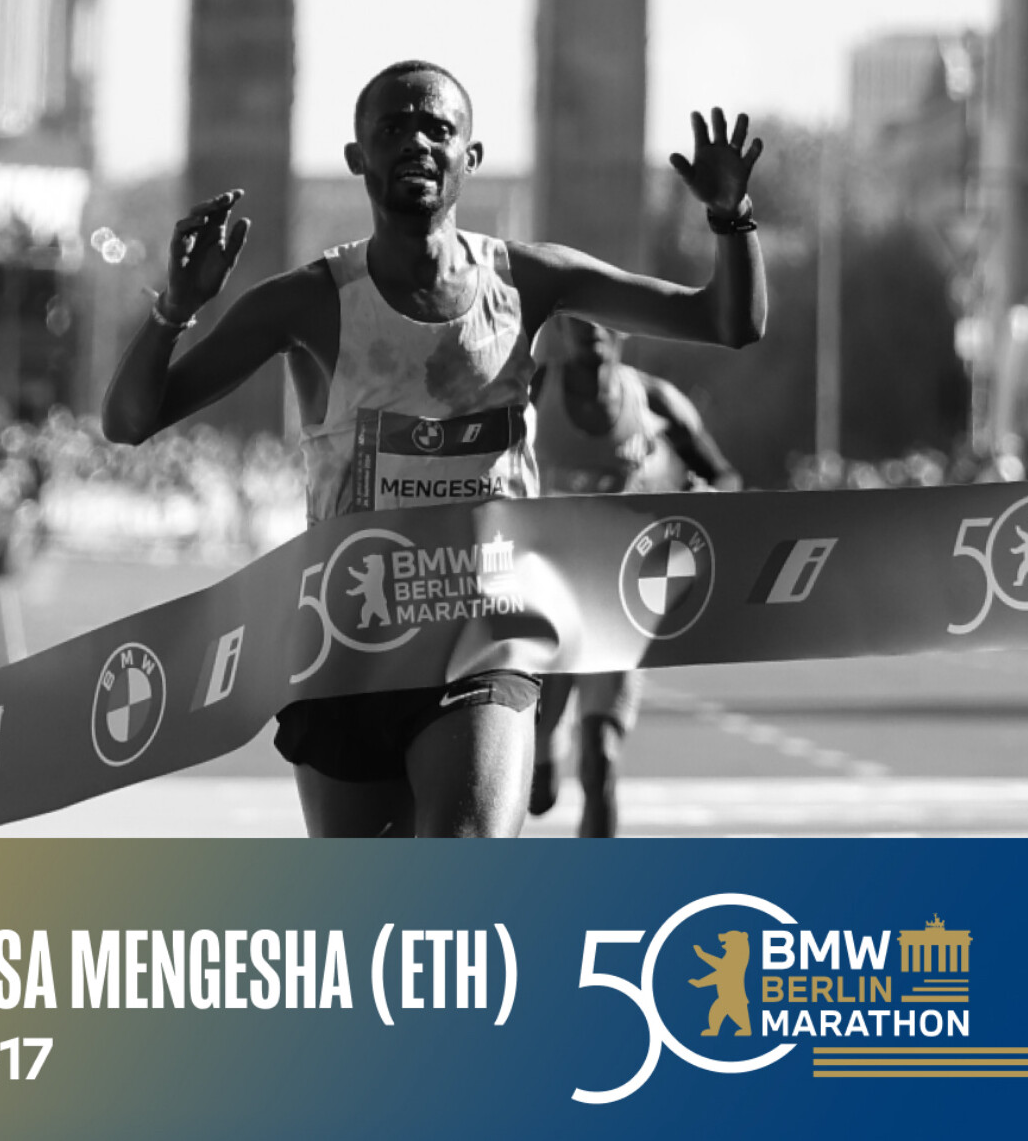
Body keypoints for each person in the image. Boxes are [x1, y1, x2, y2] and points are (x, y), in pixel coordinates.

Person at [101, 59, 766, 838]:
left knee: (461, 869)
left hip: (482, 635)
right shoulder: (308, 301)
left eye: (437, 129)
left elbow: (726, 321)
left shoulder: (528, 281)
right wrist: (176, 309)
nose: (416, 141)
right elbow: (130, 420)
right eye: (393, 128)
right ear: (359, 157)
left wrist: (733, 217)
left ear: (469, 157)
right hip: (348, 645)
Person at [527, 314, 742, 836]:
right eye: (579, 318)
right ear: (560, 328)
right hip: (543, 603)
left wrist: (702, 502)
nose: (592, 328)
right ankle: (546, 746)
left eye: (605, 317)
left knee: (600, 760)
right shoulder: (531, 389)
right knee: (535, 794)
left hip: (617, 602)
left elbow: (725, 478)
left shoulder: (654, 399)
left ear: (623, 328)